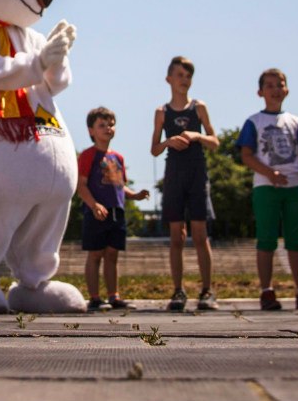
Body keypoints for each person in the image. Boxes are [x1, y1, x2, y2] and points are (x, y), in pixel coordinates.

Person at [237, 68, 298, 311]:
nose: (275, 89)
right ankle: (267, 290)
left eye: (279, 84)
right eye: (270, 85)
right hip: (266, 187)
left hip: (294, 186)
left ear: (286, 89)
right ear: (260, 92)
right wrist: (269, 173)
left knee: (296, 240)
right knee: (266, 239)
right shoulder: (254, 121)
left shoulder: (294, 122)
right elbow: (246, 155)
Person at [150, 56, 218, 312]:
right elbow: (154, 149)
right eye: (179, 75)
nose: (184, 80)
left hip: (197, 173)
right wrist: (169, 142)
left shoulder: (198, 107)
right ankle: (178, 291)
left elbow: (215, 141)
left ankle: (207, 291)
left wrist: (196, 135)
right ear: (169, 79)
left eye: (188, 75)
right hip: (174, 174)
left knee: (200, 234)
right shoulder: (162, 112)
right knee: (176, 236)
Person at [77, 107, 149, 310]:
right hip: (96, 212)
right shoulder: (88, 155)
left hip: (117, 211)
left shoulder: (118, 157)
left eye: (110, 124)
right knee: (95, 254)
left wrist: (134, 194)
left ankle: (113, 296)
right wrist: (94, 205)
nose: (107, 128)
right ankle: (94, 298)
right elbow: (81, 185)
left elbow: (119, 184)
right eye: (102, 125)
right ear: (91, 131)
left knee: (112, 254)